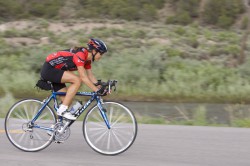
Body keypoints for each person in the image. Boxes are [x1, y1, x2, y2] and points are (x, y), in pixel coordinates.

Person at [40, 38, 108, 120]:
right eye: (101, 54)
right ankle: (62, 110)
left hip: (57, 71)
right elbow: (83, 77)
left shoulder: (87, 60)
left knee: (67, 100)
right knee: (77, 80)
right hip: (49, 70)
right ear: (94, 51)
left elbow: (90, 76)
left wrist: (100, 87)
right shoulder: (80, 55)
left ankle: (56, 128)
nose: (101, 56)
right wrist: (96, 90)